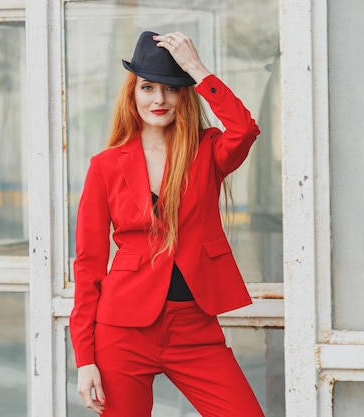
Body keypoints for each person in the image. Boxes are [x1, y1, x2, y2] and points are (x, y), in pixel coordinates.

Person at [69, 30, 265, 417]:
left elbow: (244, 129)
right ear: (133, 94)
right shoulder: (106, 166)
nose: (158, 99)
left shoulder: (206, 150)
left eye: (171, 89)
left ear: (183, 95)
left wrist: (196, 68)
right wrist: (84, 358)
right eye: (147, 87)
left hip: (193, 327)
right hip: (122, 329)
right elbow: (88, 265)